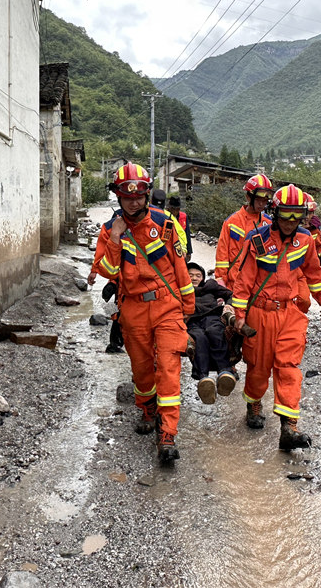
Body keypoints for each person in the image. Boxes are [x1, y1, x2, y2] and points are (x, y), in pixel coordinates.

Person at [92, 162, 195, 463]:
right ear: (119, 197)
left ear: (147, 195)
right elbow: (107, 270)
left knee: (168, 368)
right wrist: (115, 238)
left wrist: (188, 308)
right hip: (133, 308)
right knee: (142, 370)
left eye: (139, 196)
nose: (134, 201)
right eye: (127, 196)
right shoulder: (109, 231)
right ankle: (148, 410)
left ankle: (167, 434)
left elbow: (179, 268)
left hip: (166, 306)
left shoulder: (165, 224)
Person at [230, 184, 321, 451]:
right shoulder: (257, 240)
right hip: (260, 314)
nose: (290, 221)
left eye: (296, 215)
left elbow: (313, 272)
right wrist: (239, 314)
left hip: (289, 312)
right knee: (259, 367)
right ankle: (254, 404)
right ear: (275, 212)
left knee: (289, 367)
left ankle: (289, 426)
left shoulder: (305, 240)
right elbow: (244, 281)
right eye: (285, 214)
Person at [185, 261, 236, 404]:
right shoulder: (180, 288)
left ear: (203, 277)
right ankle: (204, 378)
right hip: (192, 319)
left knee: (215, 332)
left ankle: (225, 371)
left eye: (198, 275)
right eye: (190, 275)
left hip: (212, 316)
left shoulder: (210, 286)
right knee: (199, 338)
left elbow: (229, 295)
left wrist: (229, 306)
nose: (194, 278)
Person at [214, 174, 273, 290]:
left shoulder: (269, 223)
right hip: (234, 284)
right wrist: (221, 283)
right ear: (248, 197)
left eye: (265, 200)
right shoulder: (232, 222)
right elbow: (222, 255)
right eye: (259, 200)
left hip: (259, 286)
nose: (262, 204)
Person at [151, 189, 190, 262]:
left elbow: (182, 234)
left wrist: (185, 250)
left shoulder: (170, 216)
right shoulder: (168, 216)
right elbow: (181, 234)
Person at [168, 196, 192, 262]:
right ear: (169, 208)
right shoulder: (165, 215)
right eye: (173, 209)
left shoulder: (183, 216)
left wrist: (189, 251)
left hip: (181, 248)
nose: (175, 211)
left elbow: (187, 234)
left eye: (177, 209)